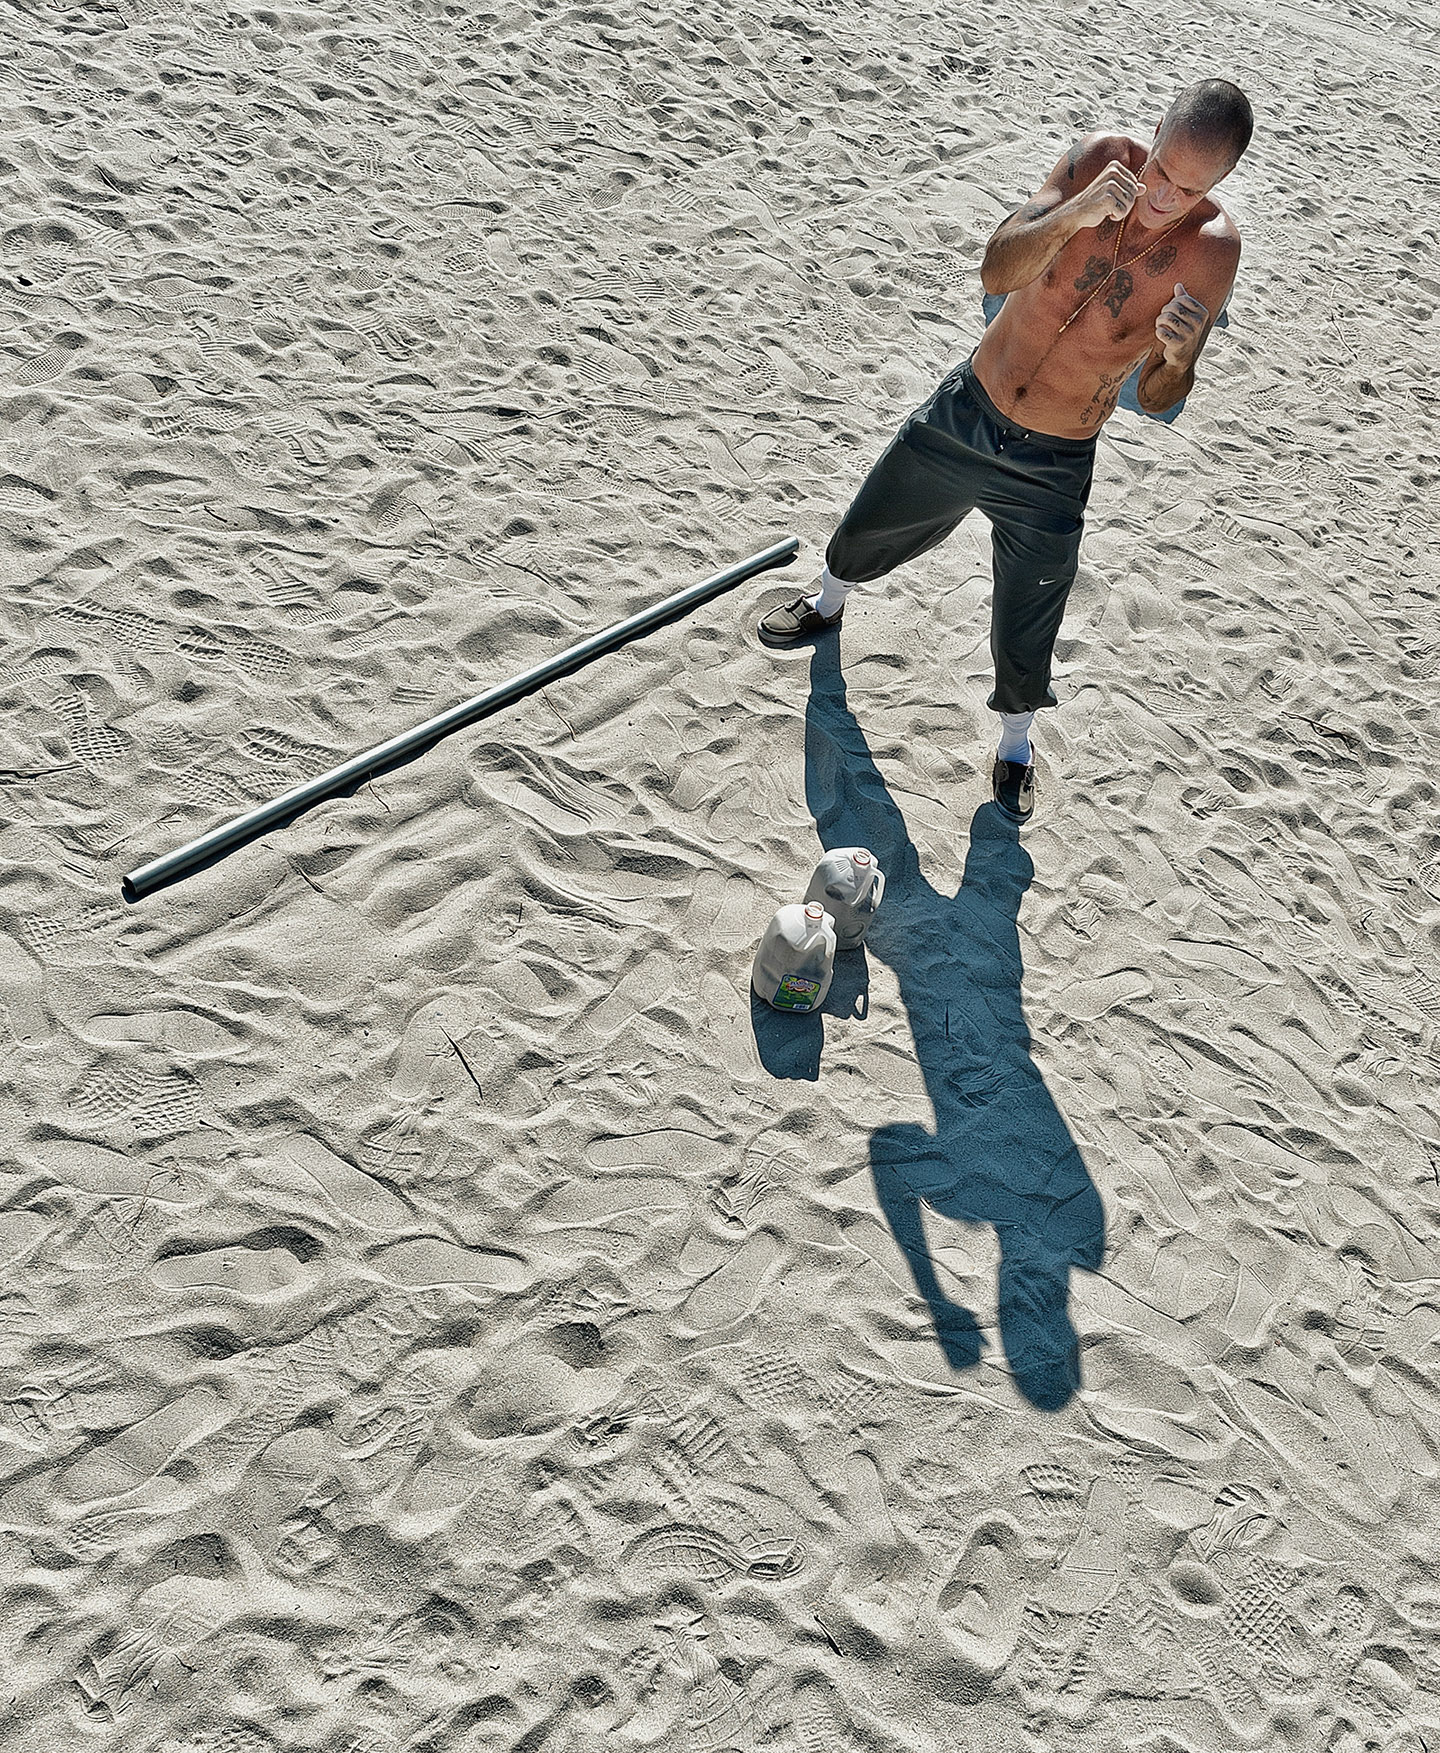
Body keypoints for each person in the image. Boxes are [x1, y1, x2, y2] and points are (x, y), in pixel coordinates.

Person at [757, 79, 1252, 825]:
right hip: (974, 404)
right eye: (1161, 171)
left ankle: (1016, 744)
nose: (1160, 196)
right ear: (1154, 132)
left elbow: (1156, 399)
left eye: (1187, 189)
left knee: (1031, 616)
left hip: (1057, 457)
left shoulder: (1212, 253)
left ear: (1217, 185)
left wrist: (1181, 357)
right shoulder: (1095, 162)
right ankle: (828, 603)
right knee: (874, 516)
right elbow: (996, 270)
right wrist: (1080, 213)